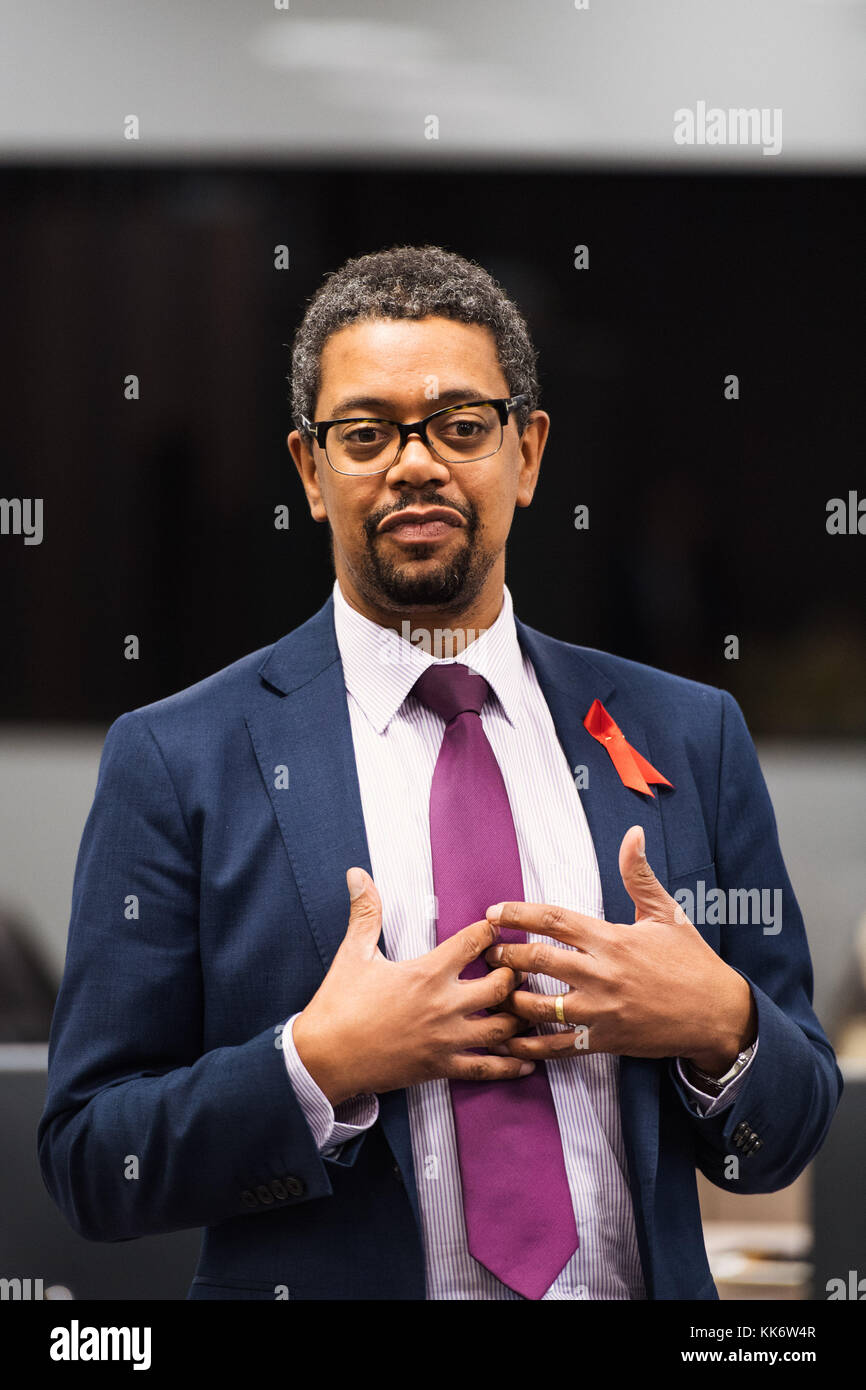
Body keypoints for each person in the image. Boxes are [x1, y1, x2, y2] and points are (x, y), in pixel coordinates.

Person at [38, 245, 842, 1300]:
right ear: (309, 472)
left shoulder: (689, 734)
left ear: (528, 452)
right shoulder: (177, 757)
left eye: (460, 426)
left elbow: (780, 1136)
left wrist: (719, 1024)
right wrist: (318, 1064)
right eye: (365, 433)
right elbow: (94, 1161)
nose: (415, 463)